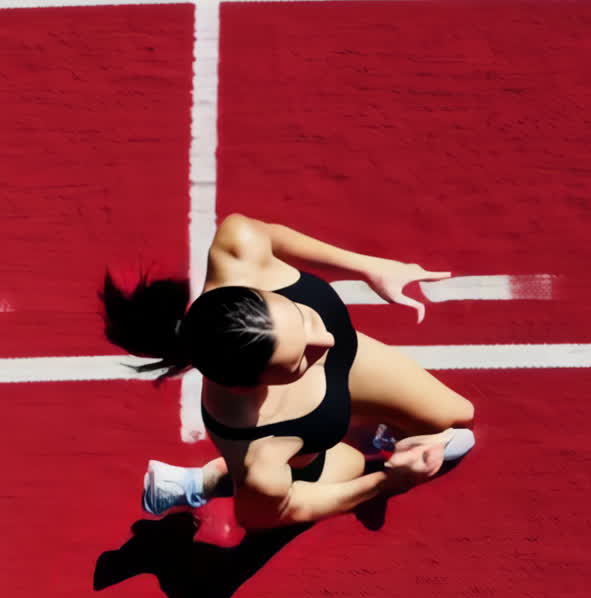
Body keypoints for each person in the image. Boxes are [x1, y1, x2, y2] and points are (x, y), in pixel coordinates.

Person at [101, 213, 476, 530]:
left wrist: (369, 267)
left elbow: (270, 236)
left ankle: (364, 426)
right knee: (352, 461)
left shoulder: (239, 247)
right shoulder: (259, 453)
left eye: (305, 318)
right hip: (305, 432)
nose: (325, 341)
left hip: (350, 367)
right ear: (246, 387)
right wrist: (389, 481)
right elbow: (272, 514)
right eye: (298, 360)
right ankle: (204, 480)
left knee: (458, 418)